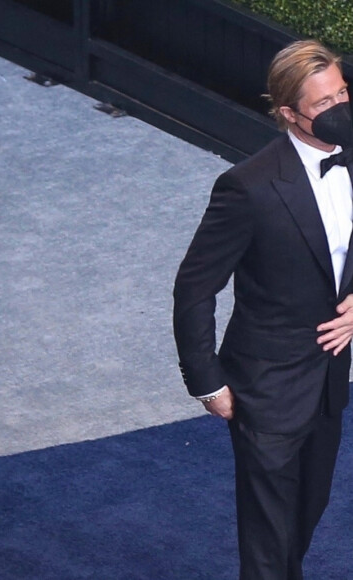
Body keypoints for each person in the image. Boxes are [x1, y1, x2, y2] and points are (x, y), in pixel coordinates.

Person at [173, 39, 353, 580]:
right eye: (324, 103)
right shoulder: (247, 187)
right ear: (287, 113)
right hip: (265, 385)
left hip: (329, 380)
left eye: (344, 92)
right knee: (269, 543)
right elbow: (194, 287)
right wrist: (207, 382)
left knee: (305, 516)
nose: (340, 108)